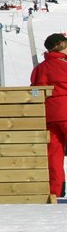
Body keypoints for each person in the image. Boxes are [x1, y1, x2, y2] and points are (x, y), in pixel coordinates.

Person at [29, 33, 67, 197]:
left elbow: (35, 89)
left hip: (49, 116)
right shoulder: (64, 64)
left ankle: (55, 191)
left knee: (54, 155)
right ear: (59, 45)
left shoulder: (40, 68)